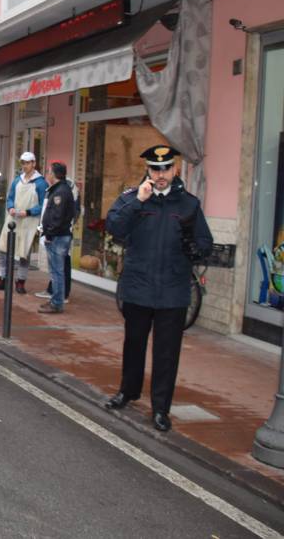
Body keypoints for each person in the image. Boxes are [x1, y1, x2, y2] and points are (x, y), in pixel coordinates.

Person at [103, 145, 212, 432]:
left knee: (167, 352)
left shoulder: (189, 204)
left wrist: (195, 249)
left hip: (173, 291)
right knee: (134, 344)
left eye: (165, 169)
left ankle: (161, 408)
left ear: (175, 169)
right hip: (139, 287)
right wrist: (137, 202)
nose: (160, 175)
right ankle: (128, 391)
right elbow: (114, 227)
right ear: (148, 170)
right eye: (155, 169)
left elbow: (204, 244)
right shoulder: (133, 198)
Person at [0, 151, 47, 294]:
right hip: (13, 219)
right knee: (4, 250)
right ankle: (1, 278)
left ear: (34, 163)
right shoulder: (17, 180)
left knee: (24, 252)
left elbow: (43, 205)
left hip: (28, 221)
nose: (25, 166)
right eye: (23, 163)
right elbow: (10, 197)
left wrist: (28, 212)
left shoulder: (41, 183)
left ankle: (21, 281)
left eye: (28, 163)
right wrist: (11, 207)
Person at [38, 162, 76, 314]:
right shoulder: (61, 189)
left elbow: (57, 217)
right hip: (59, 235)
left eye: (49, 172)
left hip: (58, 237)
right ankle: (56, 300)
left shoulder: (60, 192)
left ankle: (57, 303)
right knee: (56, 271)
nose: (47, 174)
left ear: (54, 175)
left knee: (57, 271)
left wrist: (49, 234)